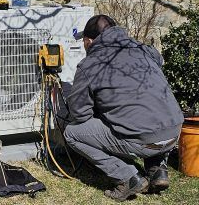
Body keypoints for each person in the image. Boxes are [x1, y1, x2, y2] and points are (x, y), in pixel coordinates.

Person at [65, 14, 184, 202]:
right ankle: (158, 170)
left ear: (88, 41)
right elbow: (159, 60)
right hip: (174, 133)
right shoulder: (142, 49)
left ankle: (128, 177)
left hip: (143, 139)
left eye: (84, 42)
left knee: (72, 133)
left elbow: (80, 114)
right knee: (146, 112)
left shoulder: (90, 65)